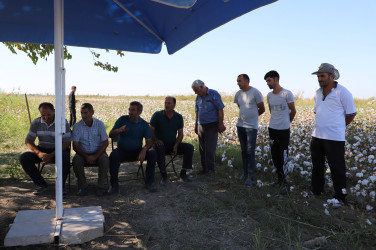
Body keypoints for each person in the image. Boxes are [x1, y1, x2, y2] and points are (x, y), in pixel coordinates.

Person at [310, 63, 356, 206]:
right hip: (317, 136)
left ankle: (340, 197)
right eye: (318, 76)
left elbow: (351, 114)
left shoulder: (342, 92)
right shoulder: (317, 93)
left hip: (334, 138)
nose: (319, 79)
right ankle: (316, 191)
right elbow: (317, 112)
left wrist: (338, 127)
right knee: (317, 166)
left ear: (331, 76)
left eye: (322, 76)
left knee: (337, 168)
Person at [19, 102, 71, 195]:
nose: (46, 117)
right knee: (24, 158)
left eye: (48, 115)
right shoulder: (36, 122)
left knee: (65, 157)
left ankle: (61, 186)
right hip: (42, 150)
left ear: (54, 111)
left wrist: (51, 155)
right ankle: (41, 184)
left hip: (58, 150)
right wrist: (39, 153)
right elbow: (28, 141)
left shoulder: (62, 122)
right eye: (43, 115)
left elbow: (67, 142)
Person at [108, 101, 157, 193]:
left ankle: (149, 182)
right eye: (129, 109)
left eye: (133, 110)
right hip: (122, 151)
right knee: (113, 156)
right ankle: (114, 185)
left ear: (139, 112)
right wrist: (119, 130)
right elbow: (110, 135)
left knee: (152, 153)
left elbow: (149, 141)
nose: (130, 112)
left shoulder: (144, 124)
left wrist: (144, 149)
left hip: (137, 151)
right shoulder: (122, 120)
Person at [150, 96, 194, 185]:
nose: (166, 105)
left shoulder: (178, 117)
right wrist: (156, 140)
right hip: (159, 144)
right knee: (160, 147)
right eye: (165, 103)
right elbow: (150, 130)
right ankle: (164, 176)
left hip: (172, 144)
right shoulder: (157, 115)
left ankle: (183, 173)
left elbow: (180, 134)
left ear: (174, 105)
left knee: (189, 147)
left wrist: (176, 145)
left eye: (169, 103)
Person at [264, 70, 296, 193]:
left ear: (276, 79)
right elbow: (271, 111)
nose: (267, 83)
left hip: (283, 130)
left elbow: (293, 111)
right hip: (272, 128)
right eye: (266, 81)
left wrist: (287, 123)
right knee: (274, 154)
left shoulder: (287, 93)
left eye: (269, 80)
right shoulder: (269, 95)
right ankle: (279, 178)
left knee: (283, 154)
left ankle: (285, 181)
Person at [72, 103, 109, 196]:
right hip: (82, 154)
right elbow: (75, 146)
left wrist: (95, 156)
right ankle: (83, 187)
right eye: (82, 113)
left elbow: (105, 142)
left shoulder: (99, 124)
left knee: (105, 159)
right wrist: (86, 156)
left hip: (98, 153)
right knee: (76, 161)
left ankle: (101, 187)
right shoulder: (77, 126)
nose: (83, 115)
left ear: (92, 112)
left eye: (86, 113)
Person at [234, 74, 265, 186]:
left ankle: (251, 177)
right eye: (237, 81)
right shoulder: (238, 94)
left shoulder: (255, 92)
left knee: (250, 152)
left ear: (246, 81)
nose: (238, 83)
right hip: (240, 126)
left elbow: (262, 108)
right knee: (243, 151)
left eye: (239, 81)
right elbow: (240, 106)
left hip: (251, 127)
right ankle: (245, 174)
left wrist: (253, 117)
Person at [192, 80, 226, 174]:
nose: (195, 93)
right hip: (201, 125)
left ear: (202, 87)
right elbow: (197, 111)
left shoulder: (214, 94)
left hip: (212, 124)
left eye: (196, 90)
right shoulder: (198, 97)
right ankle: (204, 169)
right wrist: (196, 125)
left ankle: (210, 169)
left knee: (210, 148)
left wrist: (220, 123)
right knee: (202, 148)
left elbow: (220, 109)